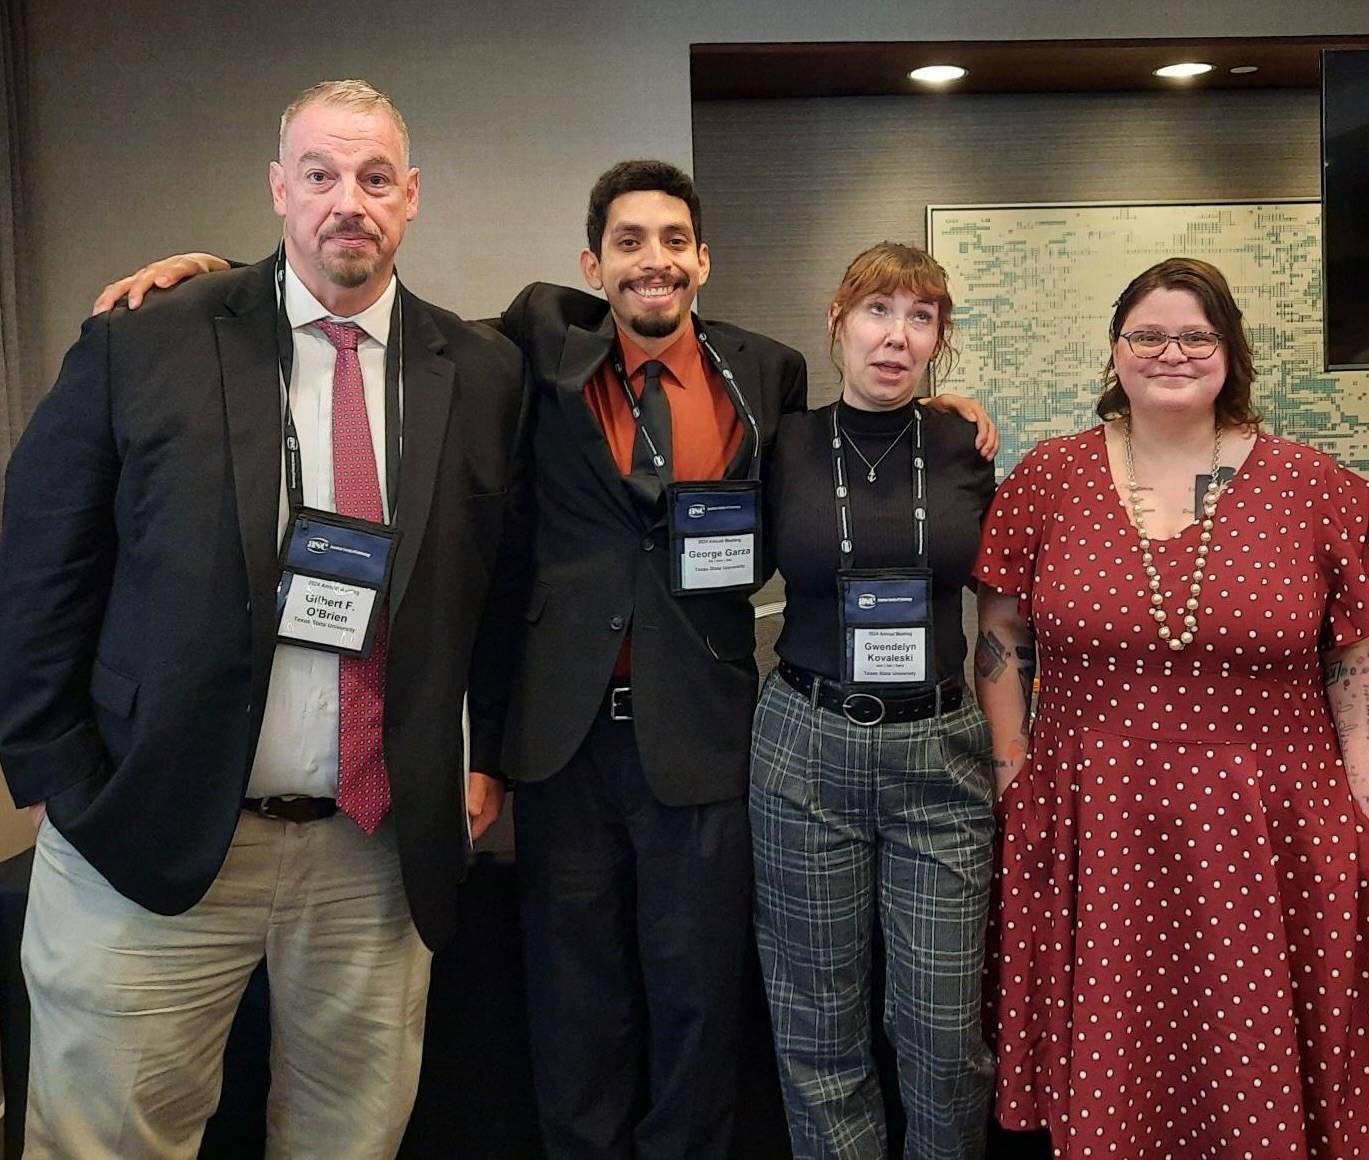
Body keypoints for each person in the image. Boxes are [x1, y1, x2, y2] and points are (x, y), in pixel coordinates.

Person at [91, 163, 994, 1159]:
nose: (654, 260)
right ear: (592, 263)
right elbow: (371, 296)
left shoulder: (764, 369)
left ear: (703, 258)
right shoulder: (535, 346)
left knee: (699, 998)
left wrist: (936, 413)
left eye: (674, 240)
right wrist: (219, 274)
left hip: (703, 728)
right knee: (575, 998)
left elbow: (846, 446)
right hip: (561, 734)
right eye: (630, 241)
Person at [0, 79, 528, 1159]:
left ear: (412, 196)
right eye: (323, 174)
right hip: (148, 827)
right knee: (106, 1137)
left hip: (373, 851)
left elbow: (506, 582)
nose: (351, 200)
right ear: (278, 188)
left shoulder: (479, 371)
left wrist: (491, 758)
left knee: (351, 1137)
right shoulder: (150, 336)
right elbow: (39, 566)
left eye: (376, 177)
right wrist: (56, 767)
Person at [974, 257, 1369, 1158]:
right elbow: (997, 630)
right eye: (1146, 335)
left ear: (1230, 351)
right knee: (1120, 1062)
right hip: (1094, 813)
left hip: (1274, 821)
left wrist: (1357, 800)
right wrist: (1012, 766)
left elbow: (1354, 655)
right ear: (1114, 352)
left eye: (1196, 335)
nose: (1171, 353)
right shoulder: (1047, 479)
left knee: (1253, 1059)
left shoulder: (1317, 488)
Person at [753, 242, 997, 1159]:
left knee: (940, 1031)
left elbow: (1007, 607)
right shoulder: (782, 444)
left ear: (937, 340)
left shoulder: (963, 445)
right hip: (804, 746)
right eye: (876, 312)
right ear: (836, 322)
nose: (895, 336)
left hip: (940, 753)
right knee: (817, 1024)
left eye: (920, 317)